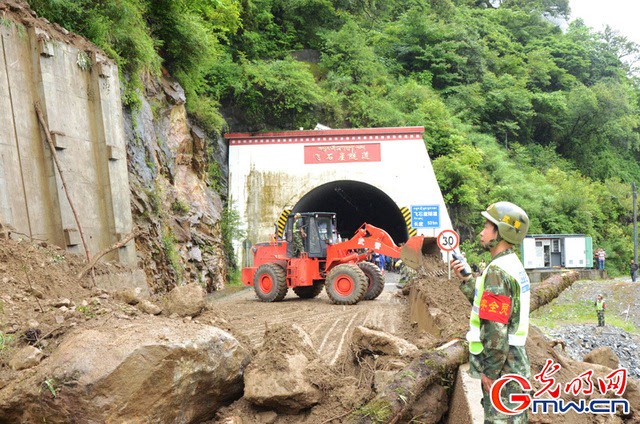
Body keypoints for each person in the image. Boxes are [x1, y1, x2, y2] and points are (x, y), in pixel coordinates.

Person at [452, 202, 531, 423]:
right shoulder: (511, 264)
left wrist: (491, 371)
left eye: (487, 226)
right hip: (514, 361)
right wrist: (468, 280)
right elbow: (490, 307)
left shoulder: (497, 271)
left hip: (503, 365)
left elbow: (496, 327)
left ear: (501, 231)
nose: (481, 232)